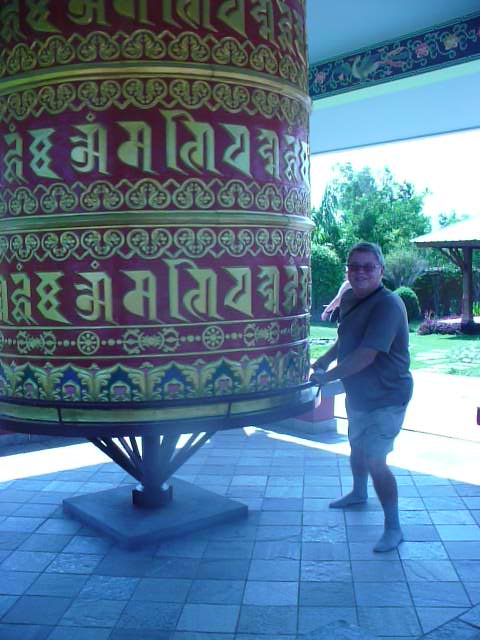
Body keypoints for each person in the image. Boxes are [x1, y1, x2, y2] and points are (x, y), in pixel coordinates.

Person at [311, 241, 413, 552]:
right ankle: (358, 493)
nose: (360, 272)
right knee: (356, 446)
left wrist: (326, 377)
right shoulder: (350, 298)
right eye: (354, 266)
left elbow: (367, 354)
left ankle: (394, 527)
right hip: (359, 392)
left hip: (387, 396)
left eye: (368, 267)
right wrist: (324, 359)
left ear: (381, 271)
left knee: (375, 459)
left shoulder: (388, 305)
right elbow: (346, 339)